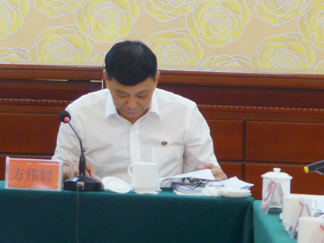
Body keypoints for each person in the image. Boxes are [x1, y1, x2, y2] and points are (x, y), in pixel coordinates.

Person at [54, 40, 225, 184]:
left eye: (142, 95)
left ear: (156, 79)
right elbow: (58, 169)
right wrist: (71, 171)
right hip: (101, 206)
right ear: (106, 79)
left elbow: (206, 172)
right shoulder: (79, 113)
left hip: (166, 208)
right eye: (122, 95)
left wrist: (214, 176)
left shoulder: (184, 112)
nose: (132, 104)